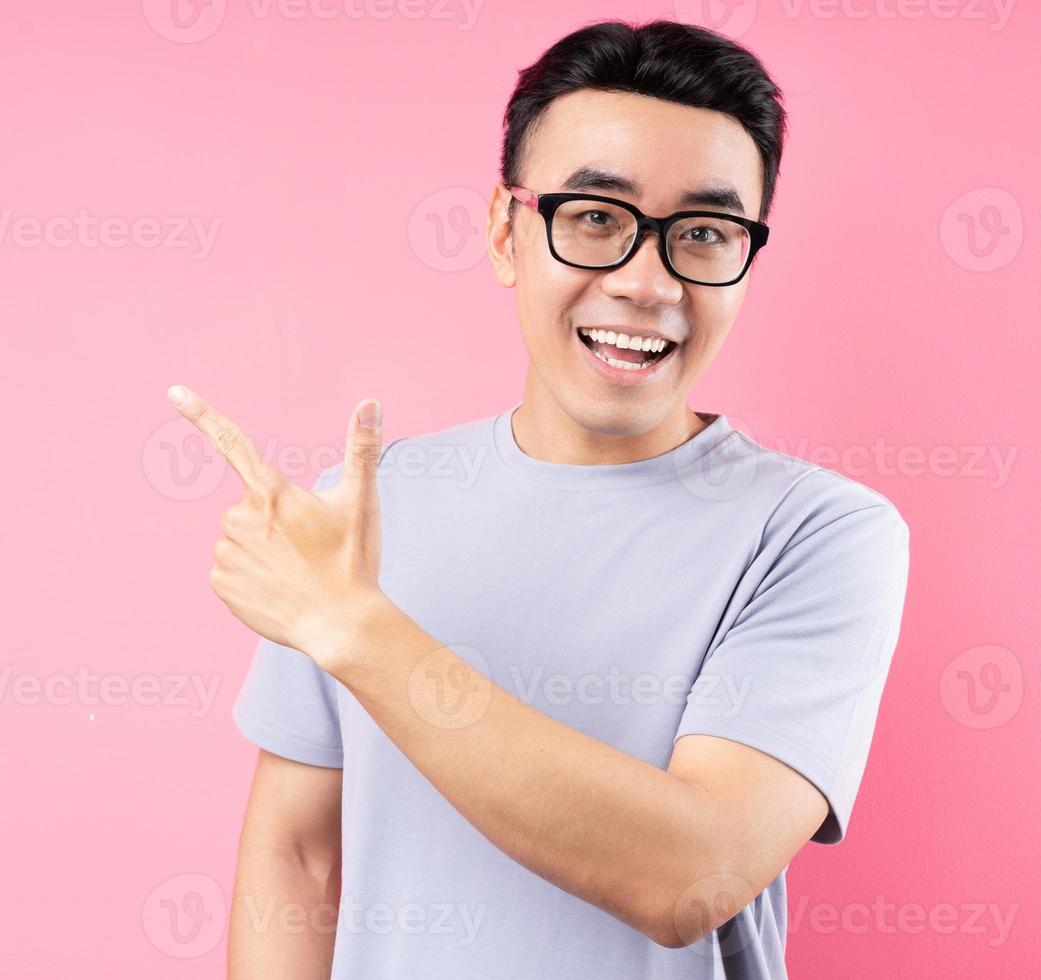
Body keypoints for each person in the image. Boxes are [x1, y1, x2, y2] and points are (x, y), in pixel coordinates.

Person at [171, 18, 911, 979]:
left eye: (703, 233)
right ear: (503, 231)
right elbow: (298, 856)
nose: (648, 282)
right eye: (596, 217)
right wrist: (341, 608)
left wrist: (355, 628)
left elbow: (690, 877)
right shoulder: (362, 513)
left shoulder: (817, 535)